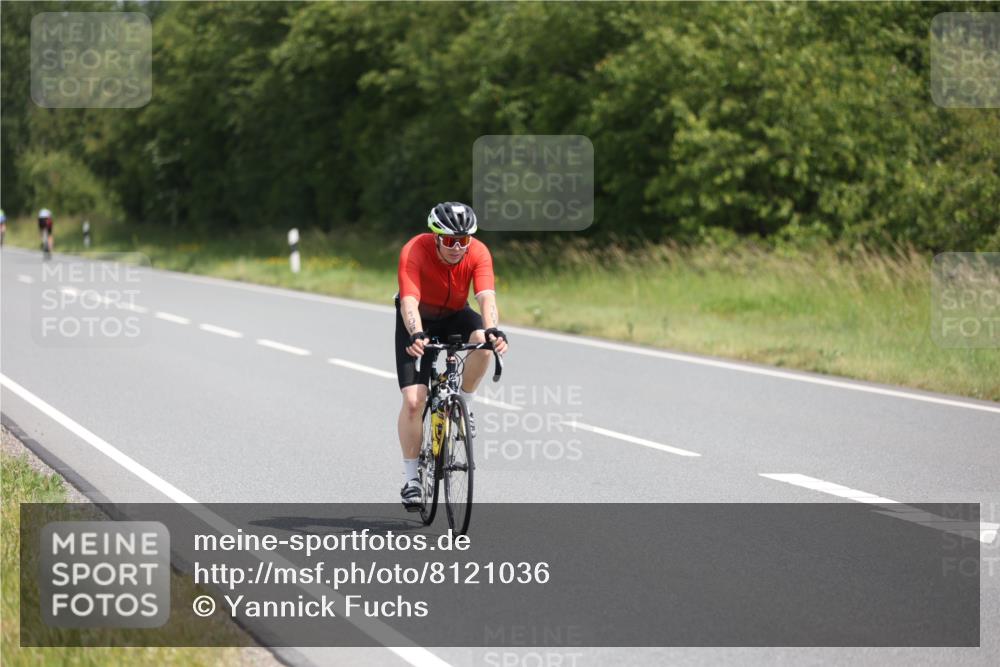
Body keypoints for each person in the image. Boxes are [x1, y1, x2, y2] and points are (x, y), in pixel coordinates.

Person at [395, 202, 508, 510]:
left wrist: (494, 329)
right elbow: (409, 300)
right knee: (414, 401)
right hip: (419, 318)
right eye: (449, 240)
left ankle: (465, 405)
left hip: (457, 314)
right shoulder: (414, 250)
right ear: (435, 237)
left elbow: (486, 296)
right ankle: (411, 480)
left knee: (483, 339)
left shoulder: (478, 252)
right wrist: (417, 333)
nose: (458, 247)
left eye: (464, 240)